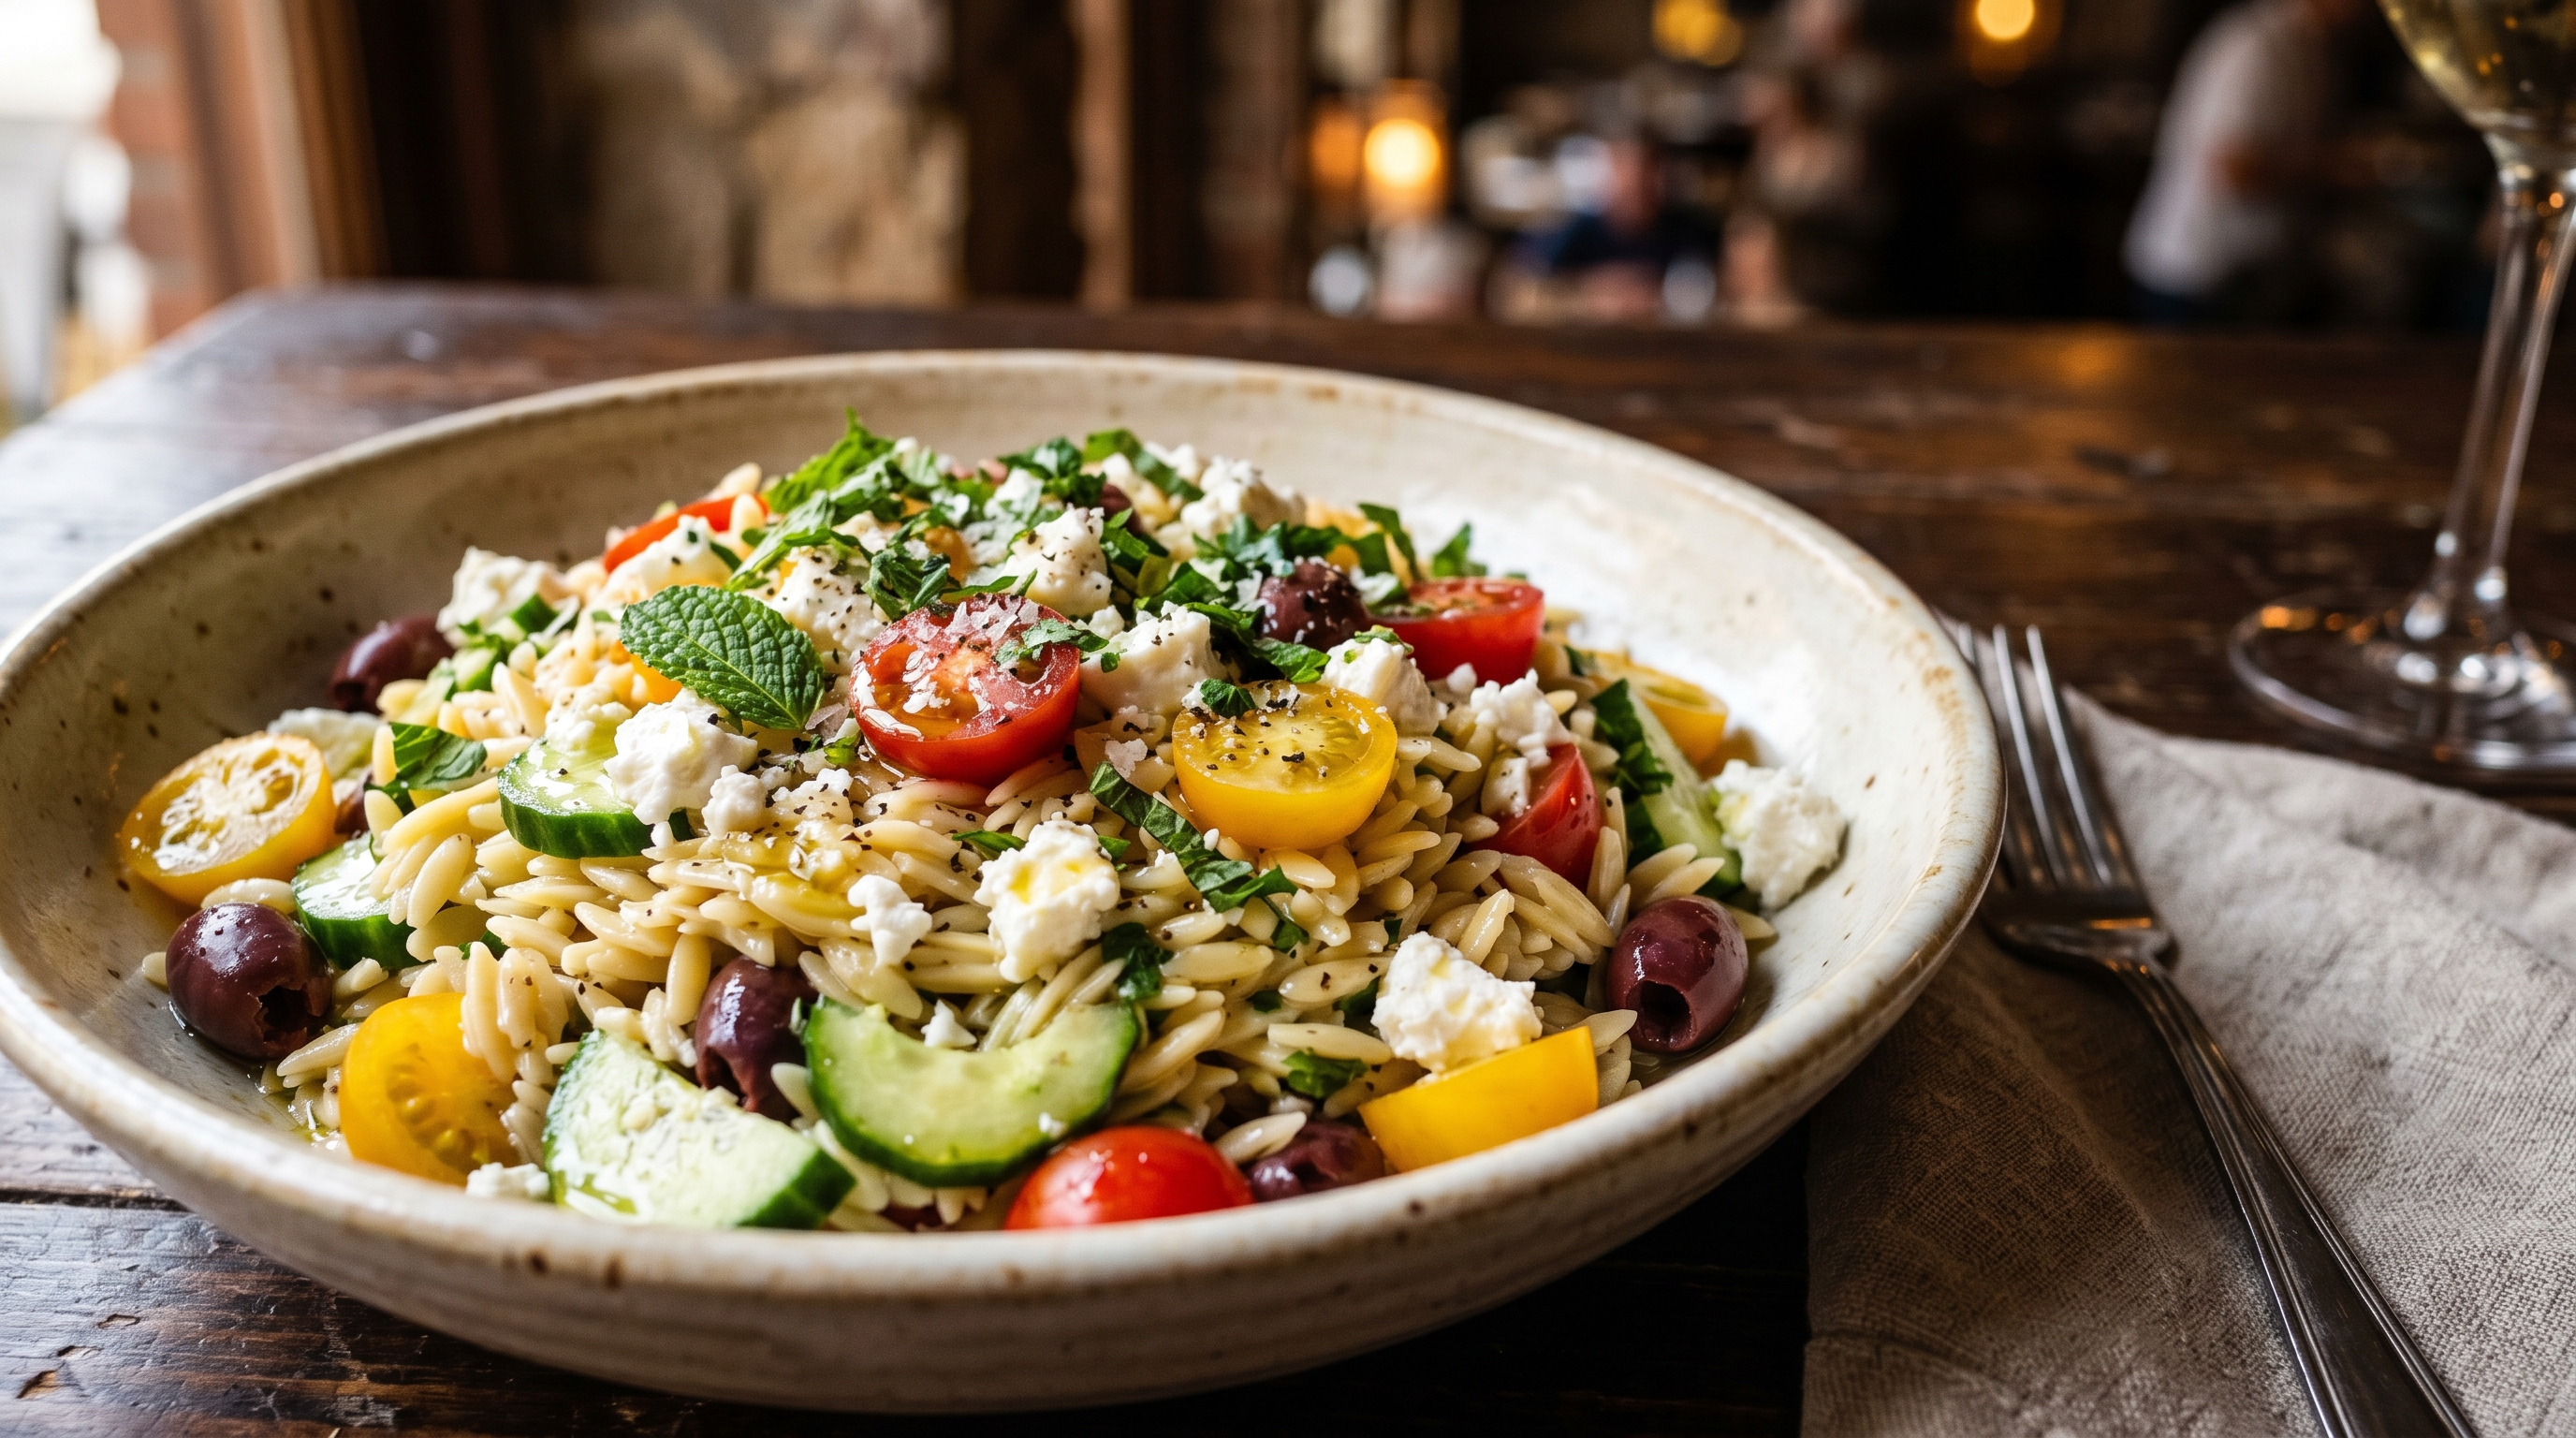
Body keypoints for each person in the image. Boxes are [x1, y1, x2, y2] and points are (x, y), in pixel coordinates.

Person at [2124, 0, 2369, 325]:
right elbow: (2234, 171)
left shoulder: (2312, 44)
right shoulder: (2260, 43)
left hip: (2248, 276)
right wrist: (2338, 168)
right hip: (2197, 280)